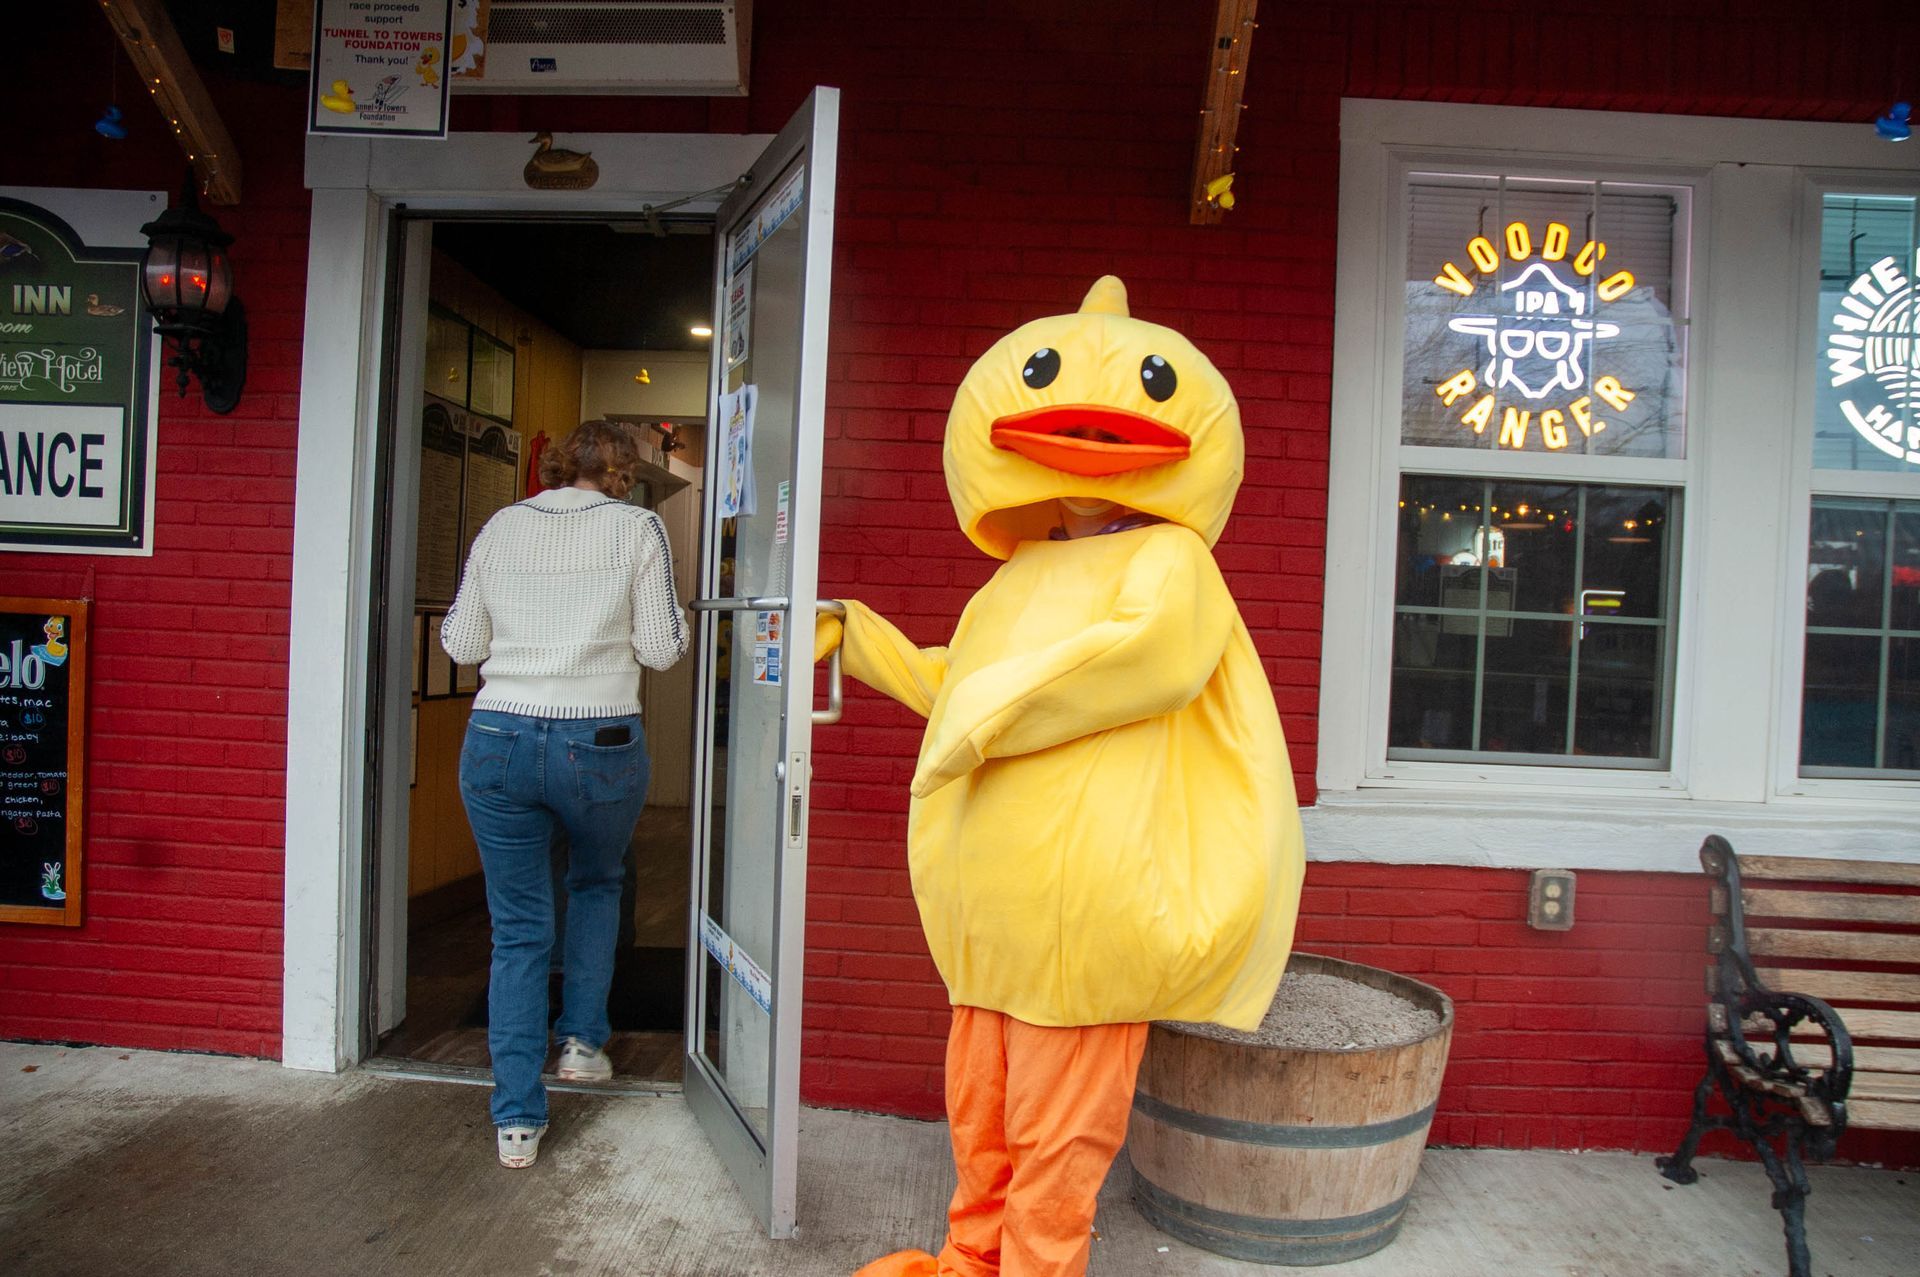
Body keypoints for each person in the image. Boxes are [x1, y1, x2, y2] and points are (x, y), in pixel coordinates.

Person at [440, 419, 688, 1169]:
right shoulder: (638, 529)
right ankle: (582, 1043)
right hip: (599, 743)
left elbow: (460, 642)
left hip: (500, 738)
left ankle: (516, 1121)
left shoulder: (500, 527)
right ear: (622, 472)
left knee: (517, 929)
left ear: (554, 466)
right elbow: (662, 648)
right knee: (596, 879)